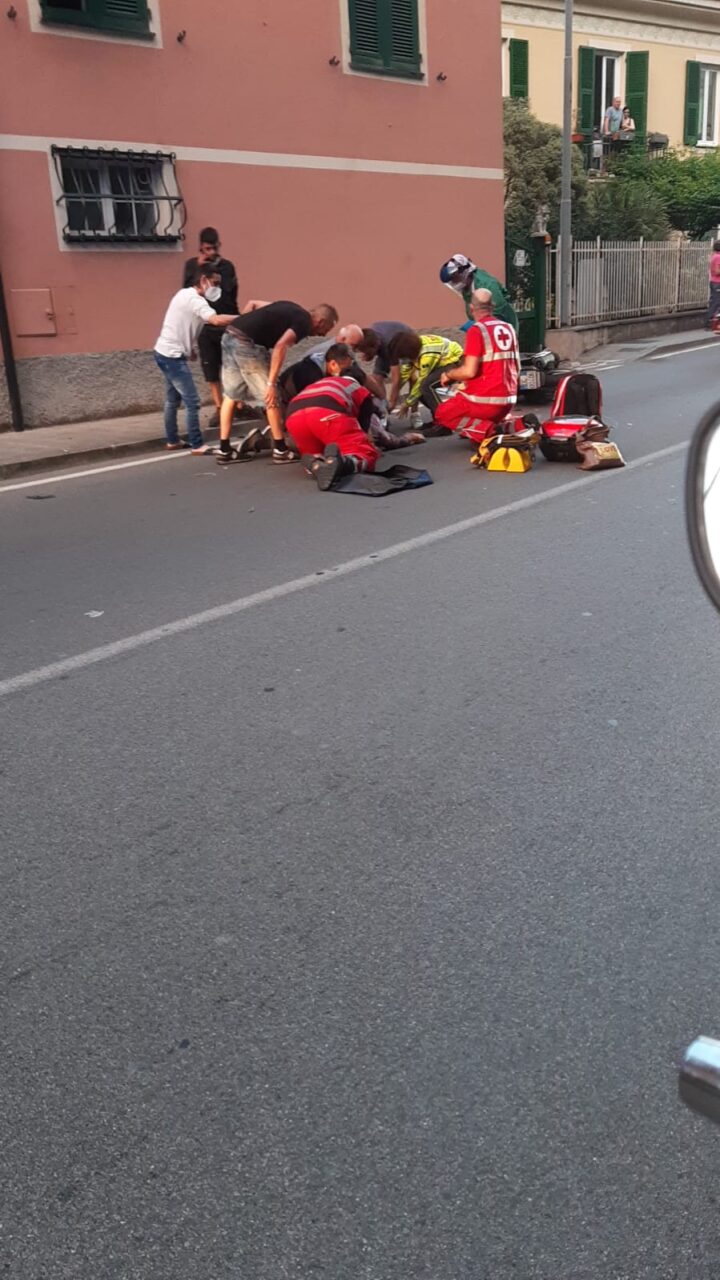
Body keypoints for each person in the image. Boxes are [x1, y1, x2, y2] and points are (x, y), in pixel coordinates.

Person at [287, 344, 424, 490]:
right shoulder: (359, 391)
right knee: (365, 453)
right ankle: (344, 464)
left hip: (293, 416)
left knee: (318, 449)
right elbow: (372, 432)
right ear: (361, 382)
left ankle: (315, 463)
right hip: (327, 414)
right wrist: (405, 439)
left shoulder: (321, 383)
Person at [216, 300, 338, 464]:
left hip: (230, 335)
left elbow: (256, 305)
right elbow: (281, 346)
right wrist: (271, 384)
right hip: (247, 344)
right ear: (321, 321)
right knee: (271, 397)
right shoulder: (303, 322)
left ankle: (224, 450)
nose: (321, 335)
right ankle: (280, 450)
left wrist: (248, 324)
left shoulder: (291, 307)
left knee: (231, 395)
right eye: (325, 330)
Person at [154, 262, 238, 453]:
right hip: (173, 356)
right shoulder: (196, 301)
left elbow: (183, 324)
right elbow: (215, 320)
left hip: (163, 352)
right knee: (192, 401)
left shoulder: (183, 294)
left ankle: (173, 440)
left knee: (172, 401)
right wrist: (243, 317)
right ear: (203, 280)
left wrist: (190, 349)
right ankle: (197, 444)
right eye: (215, 283)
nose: (217, 288)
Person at [433, 288, 521, 443]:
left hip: (484, 401)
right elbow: (517, 367)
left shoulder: (477, 330)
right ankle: (517, 425)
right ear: (492, 306)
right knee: (483, 413)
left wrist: (449, 374)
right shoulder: (509, 328)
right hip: (508, 399)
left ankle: (488, 431)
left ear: (471, 308)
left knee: (443, 413)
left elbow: (469, 371)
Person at [182, 227, 239, 426]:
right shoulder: (192, 266)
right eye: (207, 249)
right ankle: (219, 407)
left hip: (225, 322)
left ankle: (237, 405)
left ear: (219, 246)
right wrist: (199, 268)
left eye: (214, 248)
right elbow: (187, 293)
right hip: (205, 326)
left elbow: (230, 293)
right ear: (201, 248)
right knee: (210, 368)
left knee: (231, 366)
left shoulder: (227, 266)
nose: (211, 253)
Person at [387, 332, 463, 418]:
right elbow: (404, 374)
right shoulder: (412, 347)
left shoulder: (427, 355)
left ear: (408, 353)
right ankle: (437, 417)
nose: (402, 360)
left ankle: (444, 418)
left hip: (456, 361)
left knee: (425, 386)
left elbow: (422, 380)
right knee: (418, 391)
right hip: (442, 362)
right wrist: (393, 396)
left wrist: (407, 404)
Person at [281, 324, 367, 398]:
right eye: (354, 345)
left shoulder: (341, 355)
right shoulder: (313, 370)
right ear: (333, 364)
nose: (355, 350)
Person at [439, 254, 518, 331]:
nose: (453, 283)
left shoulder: (488, 285)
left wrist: (479, 326)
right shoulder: (467, 288)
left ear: (464, 272)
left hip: (503, 327)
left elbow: (498, 311)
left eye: (455, 279)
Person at [358, 321, 415, 405]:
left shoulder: (389, 345)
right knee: (377, 377)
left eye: (367, 352)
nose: (364, 355)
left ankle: (413, 407)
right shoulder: (370, 337)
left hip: (407, 342)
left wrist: (393, 400)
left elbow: (396, 378)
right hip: (385, 343)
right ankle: (383, 404)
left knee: (410, 377)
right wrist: (369, 354)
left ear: (375, 346)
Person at [707, 241, 720, 329]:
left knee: (714, 302)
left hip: (713, 281)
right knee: (716, 303)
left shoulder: (714, 256)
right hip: (717, 283)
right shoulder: (718, 257)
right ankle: (711, 323)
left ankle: (713, 323)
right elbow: (717, 271)